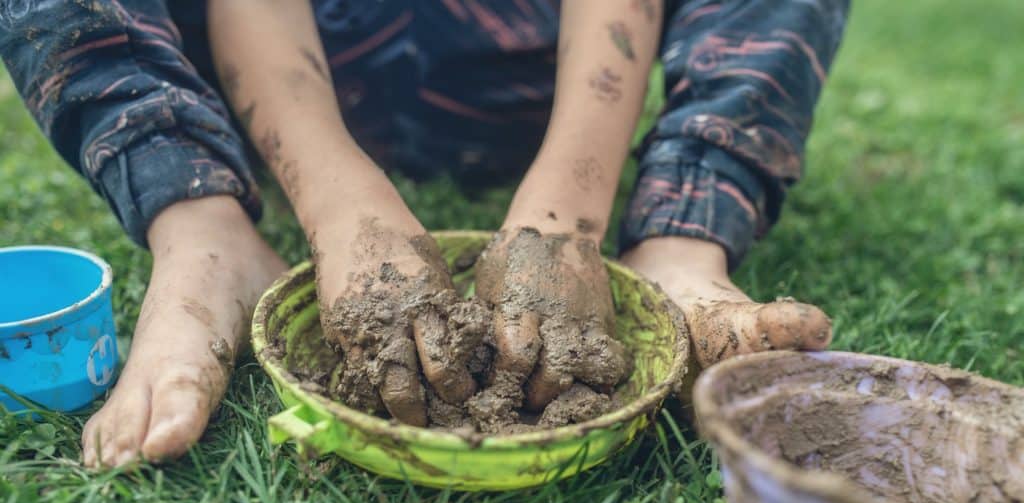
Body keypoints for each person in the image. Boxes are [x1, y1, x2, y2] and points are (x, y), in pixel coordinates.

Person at [0, 1, 844, 468]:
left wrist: (566, 218)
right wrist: (338, 204)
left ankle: (680, 244)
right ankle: (203, 227)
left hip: (527, 64)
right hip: (307, 57)